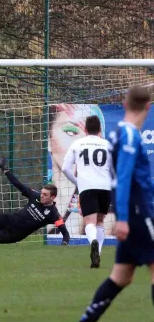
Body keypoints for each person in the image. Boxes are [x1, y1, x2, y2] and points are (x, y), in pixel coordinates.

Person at [69, 85, 154, 322]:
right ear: (148, 107)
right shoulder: (128, 136)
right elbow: (124, 177)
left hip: (131, 212)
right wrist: (125, 218)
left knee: (121, 276)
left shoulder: (117, 135)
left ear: (125, 104)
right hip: (139, 214)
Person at [48, 103, 114, 238]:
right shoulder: (42, 192)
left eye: (85, 134)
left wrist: (76, 183)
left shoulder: (110, 214)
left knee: (95, 223)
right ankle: (96, 247)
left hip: (90, 194)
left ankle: (95, 245)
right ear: (49, 139)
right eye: (71, 132)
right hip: (99, 190)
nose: (81, 142)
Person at [61, 115, 112, 268]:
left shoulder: (78, 144)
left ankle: (93, 242)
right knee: (100, 222)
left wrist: (77, 181)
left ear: (85, 129)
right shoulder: (108, 144)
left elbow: (65, 168)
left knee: (89, 222)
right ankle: (98, 254)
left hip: (87, 187)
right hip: (105, 187)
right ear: (100, 129)